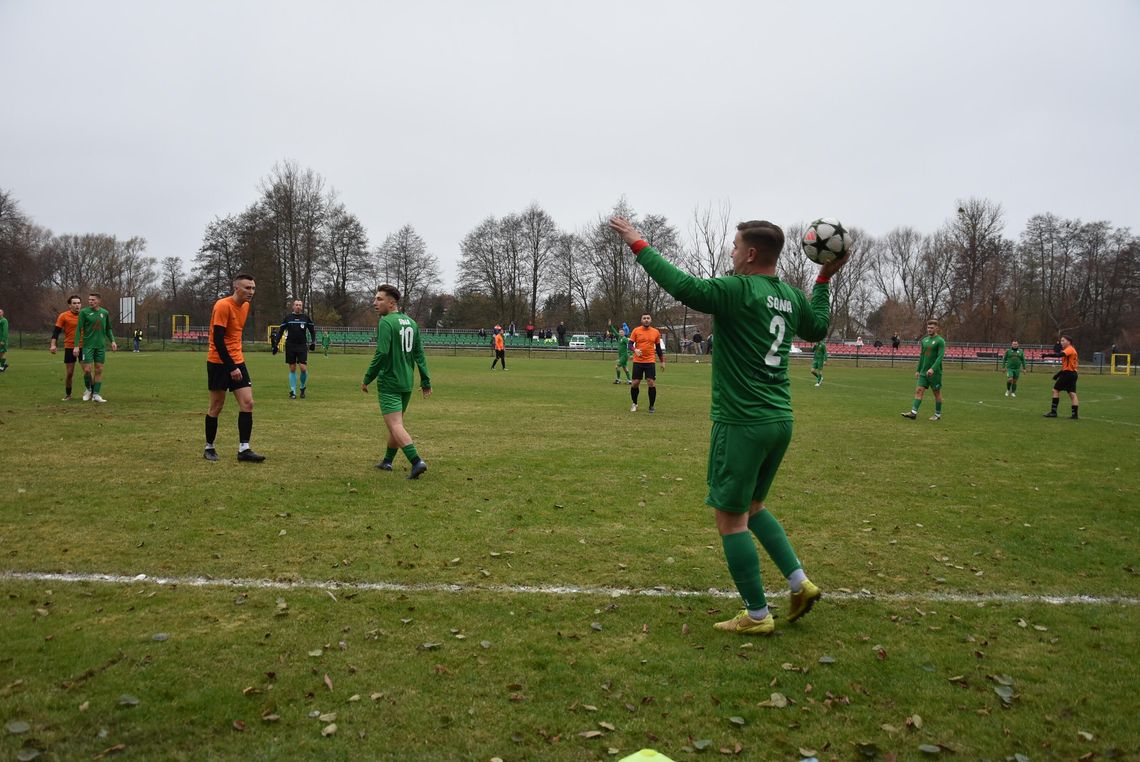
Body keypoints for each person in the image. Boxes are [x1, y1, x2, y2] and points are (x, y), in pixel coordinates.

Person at [610, 215, 846, 636]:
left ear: (752, 254)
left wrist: (637, 242)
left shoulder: (738, 290)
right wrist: (823, 280)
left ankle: (757, 615)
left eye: (735, 247)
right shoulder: (790, 296)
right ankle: (799, 583)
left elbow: (684, 287)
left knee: (730, 518)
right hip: (779, 419)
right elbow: (819, 327)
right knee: (753, 507)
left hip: (741, 421)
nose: (731, 253)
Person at [361, 284, 432, 478]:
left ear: (392, 303)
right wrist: (425, 381)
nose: (375, 303)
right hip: (406, 382)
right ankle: (387, 461)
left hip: (390, 381)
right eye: (375, 299)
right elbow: (419, 354)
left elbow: (382, 352)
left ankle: (417, 461)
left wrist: (368, 378)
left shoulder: (386, 322)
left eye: (379, 299)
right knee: (396, 424)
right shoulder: (411, 322)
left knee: (395, 425)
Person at [205, 274, 264, 462]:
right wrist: (231, 367)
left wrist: (236, 363)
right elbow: (218, 340)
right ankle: (209, 447)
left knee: (248, 403)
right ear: (236, 288)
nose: (251, 292)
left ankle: (244, 449)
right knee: (217, 406)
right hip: (218, 362)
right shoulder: (222, 306)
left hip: (237, 360)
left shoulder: (246, 306)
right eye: (247, 288)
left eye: (253, 288)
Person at [74, 293, 118, 402]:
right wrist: (76, 346)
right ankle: (88, 389)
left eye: (93, 300)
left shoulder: (105, 313)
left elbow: (108, 329)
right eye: (89, 300)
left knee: (99, 370)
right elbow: (79, 329)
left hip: (100, 347)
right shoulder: (84, 312)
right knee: (87, 370)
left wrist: (112, 341)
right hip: (87, 346)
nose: (90, 301)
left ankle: (96, 395)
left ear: (99, 301)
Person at [901, 319, 945, 421]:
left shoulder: (940, 341)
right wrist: (918, 369)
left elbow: (940, 357)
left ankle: (937, 414)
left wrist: (933, 369)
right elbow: (922, 356)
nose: (929, 329)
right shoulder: (924, 340)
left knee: (937, 393)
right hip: (923, 372)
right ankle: (913, 413)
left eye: (932, 328)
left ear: (937, 328)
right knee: (919, 390)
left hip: (935, 373)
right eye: (928, 327)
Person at [273, 299, 317, 399]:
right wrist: (276, 344)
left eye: (300, 305)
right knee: (292, 369)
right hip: (290, 345)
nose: (298, 306)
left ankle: (302, 387)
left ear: (302, 307)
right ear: (293, 306)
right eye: (296, 305)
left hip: (302, 345)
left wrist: (313, 342)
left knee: (303, 368)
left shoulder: (306, 318)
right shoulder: (288, 318)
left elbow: (312, 331)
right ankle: (293, 391)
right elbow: (281, 331)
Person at [628, 312, 665, 412]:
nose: (646, 320)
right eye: (644, 318)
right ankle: (634, 403)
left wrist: (662, 361)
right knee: (635, 383)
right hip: (638, 361)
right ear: (641, 320)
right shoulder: (636, 330)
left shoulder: (655, 332)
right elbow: (630, 344)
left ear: (651, 320)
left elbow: (658, 348)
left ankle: (651, 406)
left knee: (651, 382)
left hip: (650, 361)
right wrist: (635, 350)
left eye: (648, 318)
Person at [50, 295, 84, 399]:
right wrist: (53, 345)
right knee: (69, 373)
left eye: (78, 303)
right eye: (74, 303)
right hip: (69, 347)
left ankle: (92, 393)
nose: (77, 305)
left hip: (84, 346)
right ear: (70, 305)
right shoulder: (63, 316)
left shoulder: (85, 315)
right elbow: (56, 331)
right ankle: (68, 394)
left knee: (87, 371)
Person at [1044, 335, 1079, 419]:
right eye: (1061, 341)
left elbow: (1059, 355)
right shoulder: (1070, 350)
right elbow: (1065, 366)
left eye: (1063, 340)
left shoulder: (1069, 349)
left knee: (1055, 390)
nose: (1061, 342)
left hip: (1068, 374)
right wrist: (1058, 374)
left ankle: (1053, 412)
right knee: (1072, 394)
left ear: (1069, 342)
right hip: (1072, 374)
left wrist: (1047, 355)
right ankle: (1075, 415)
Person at [0, 308, 8, 372]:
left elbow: (5, 331)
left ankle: (2, 367)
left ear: (2, 313)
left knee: (2, 353)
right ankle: (4, 364)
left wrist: (3, 340)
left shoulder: (4, 320)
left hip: (2, 340)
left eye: (0, 312)